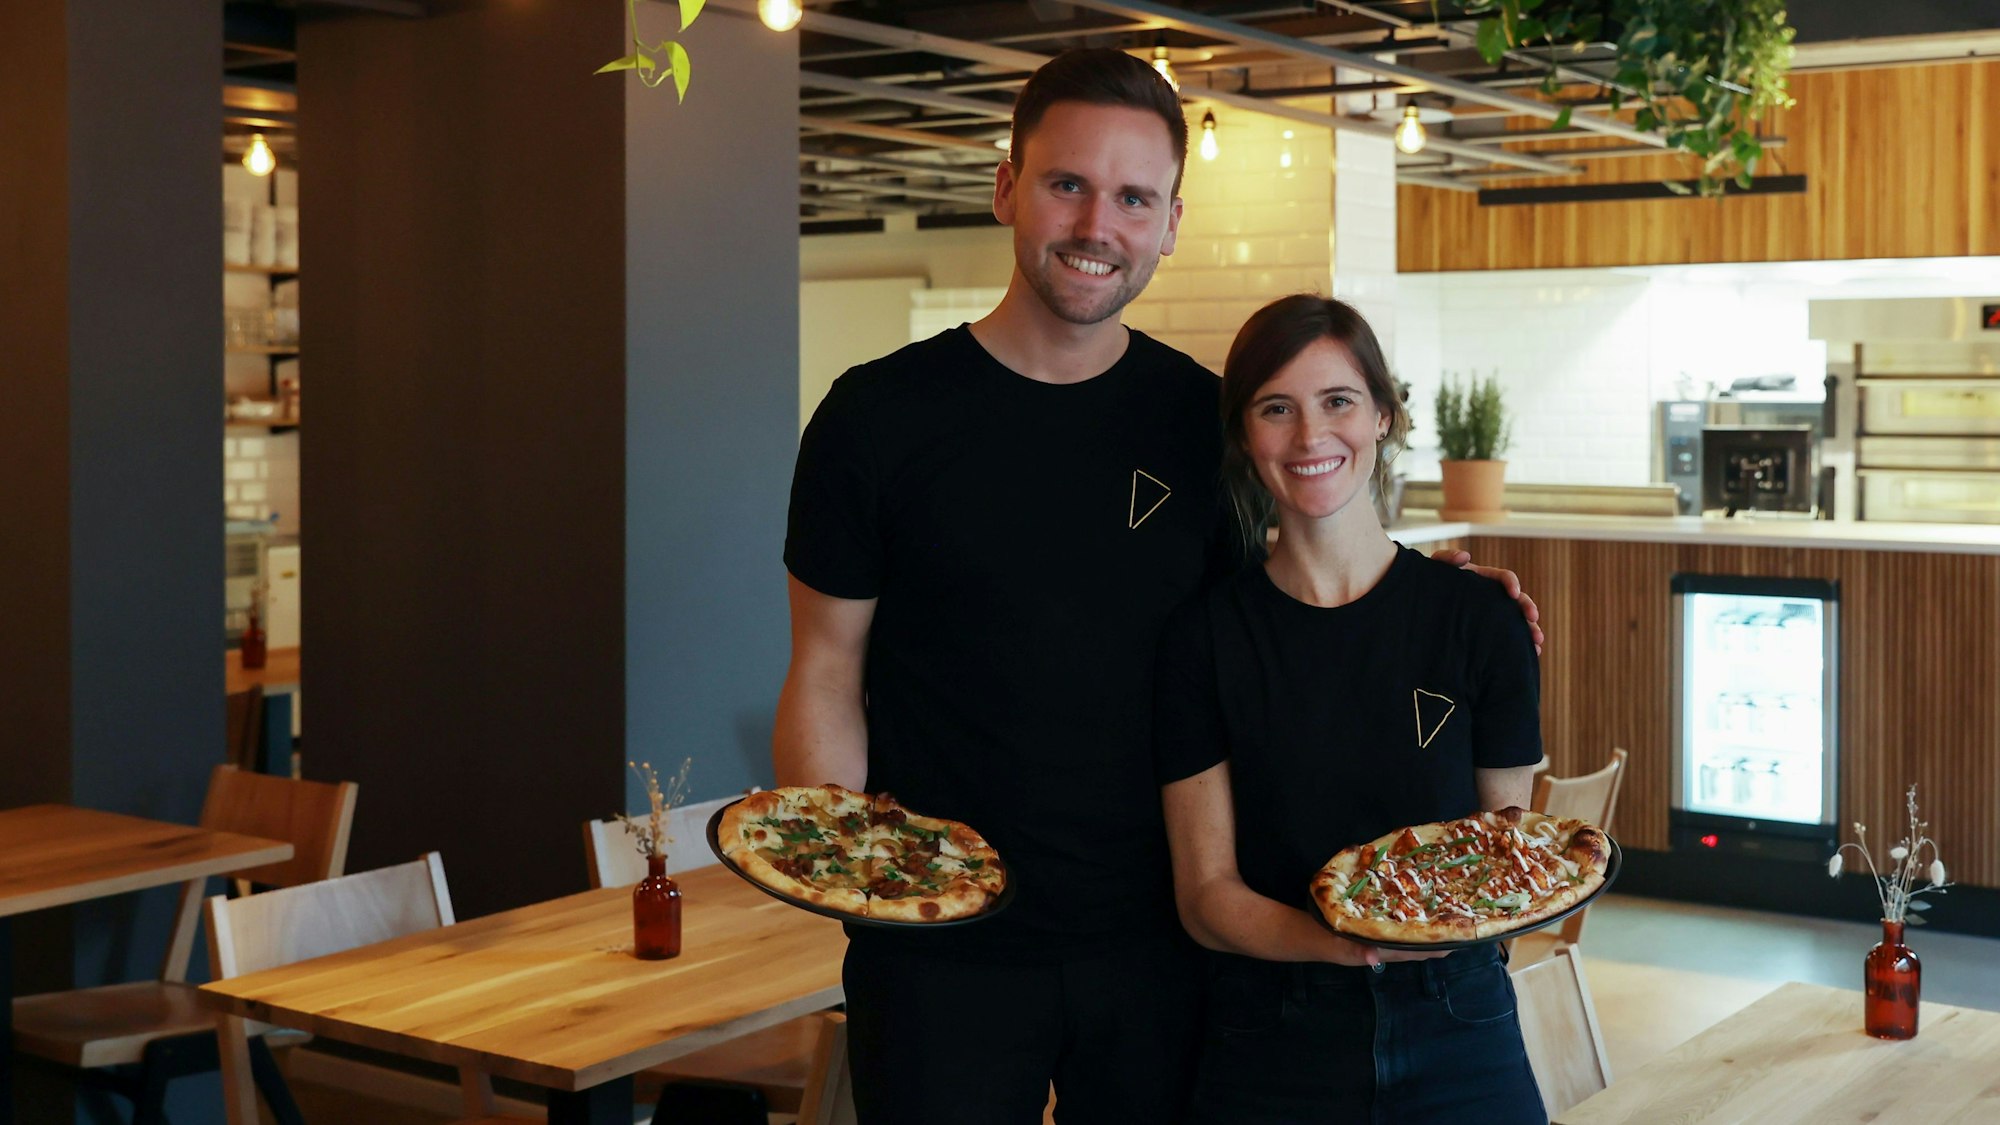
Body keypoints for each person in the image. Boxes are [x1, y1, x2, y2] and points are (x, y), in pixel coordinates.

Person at [776, 49, 1540, 1125]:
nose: (1098, 225)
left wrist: (1444, 600)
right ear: (1006, 187)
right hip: (939, 950)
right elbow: (825, 671)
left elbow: (1302, 599)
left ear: (1169, 222)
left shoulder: (1200, 421)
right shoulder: (876, 417)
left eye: (1133, 197)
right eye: (1066, 184)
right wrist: (849, 876)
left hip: (1165, 951)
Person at [1154, 295, 1547, 1125]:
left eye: (1337, 401)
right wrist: (1341, 943)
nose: (1309, 437)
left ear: (1383, 416)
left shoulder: (1479, 621)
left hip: (1460, 1025)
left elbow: (1508, 858)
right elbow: (1205, 894)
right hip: (1272, 1034)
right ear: (1245, 437)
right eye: (1276, 408)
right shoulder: (1203, 639)